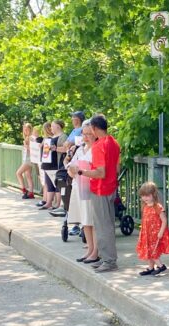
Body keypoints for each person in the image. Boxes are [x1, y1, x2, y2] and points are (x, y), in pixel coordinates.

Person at [77, 115, 120, 273]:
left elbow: (100, 172)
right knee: (107, 224)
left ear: (94, 129)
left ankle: (109, 260)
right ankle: (106, 257)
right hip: (111, 187)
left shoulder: (98, 146)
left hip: (100, 189)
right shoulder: (114, 142)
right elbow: (116, 168)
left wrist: (80, 171)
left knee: (102, 226)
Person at [67, 120, 98, 264]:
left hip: (91, 187)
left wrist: (81, 171)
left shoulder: (97, 149)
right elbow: (70, 165)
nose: (86, 137)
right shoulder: (80, 149)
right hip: (78, 185)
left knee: (92, 219)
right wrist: (72, 171)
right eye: (84, 134)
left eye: (89, 134)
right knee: (85, 220)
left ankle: (95, 251)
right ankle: (89, 249)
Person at [136, 181, 169, 276]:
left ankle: (161, 266)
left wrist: (161, 232)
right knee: (148, 250)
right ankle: (150, 267)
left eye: (147, 195)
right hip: (147, 233)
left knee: (153, 251)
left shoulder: (158, 207)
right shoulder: (145, 206)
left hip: (155, 234)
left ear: (153, 195)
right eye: (143, 196)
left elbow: (164, 220)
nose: (145, 198)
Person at [66, 111, 85, 235]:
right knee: (75, 202)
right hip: (77, 180)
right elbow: (69, 161)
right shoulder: (78, 149)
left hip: (86, 182)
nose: (72, 119)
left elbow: (67, 143)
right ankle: (77, 225)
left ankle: (82, 226)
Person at [48, 120, 69, 217]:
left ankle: (61, 205)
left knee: (61, 184)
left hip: (60, 164)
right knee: (56, 184)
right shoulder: (52, 137)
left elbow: (65, 149)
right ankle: (58, 204)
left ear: (58, 127)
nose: (51, 128)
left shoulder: (63, 136)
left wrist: (55, 148)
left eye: (52, 126)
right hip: (54, 163)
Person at [38, 122, 59, 210]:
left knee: (56, 184)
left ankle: (57, 204)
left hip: (52, 164)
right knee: (49, 184)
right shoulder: (46, 139)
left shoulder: (52, 139)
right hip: (46, 164)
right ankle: (48, 202)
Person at [16, 123, 35, 199]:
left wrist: (26, 146)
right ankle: (31, 193)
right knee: (28, 176)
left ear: (30, 129)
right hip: (26, 159)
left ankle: (24, 190)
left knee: (18, 173)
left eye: (27, 129)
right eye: (24, 129)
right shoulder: (27, 137)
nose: (25, 131)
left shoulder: (31, 138)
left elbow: (33, 150)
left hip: (29, 159)